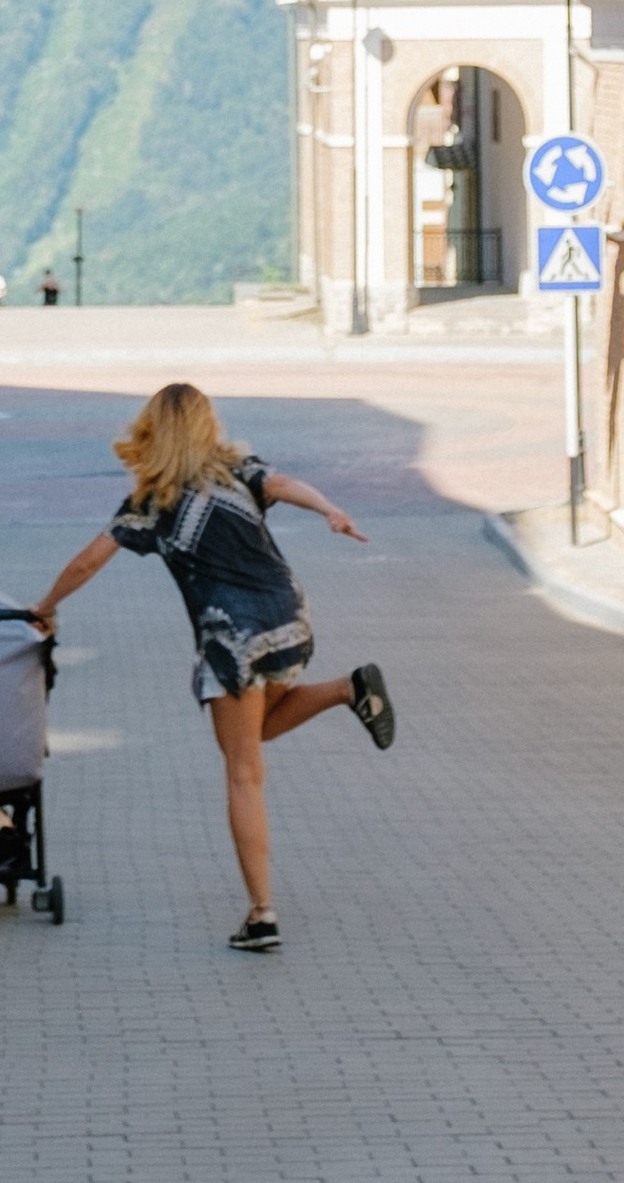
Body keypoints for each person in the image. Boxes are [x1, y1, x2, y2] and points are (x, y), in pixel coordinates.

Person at [33, 379, 390, 957]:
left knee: (244, 773)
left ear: (154, 430)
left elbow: (86, 563)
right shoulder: (238, 470)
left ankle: (262, 914)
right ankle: (349, 690)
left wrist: (44, 607)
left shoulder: (153, 503)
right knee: (257, 731)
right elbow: (284, 483)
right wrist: (329, 508)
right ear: (207, 425)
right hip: (291, 618)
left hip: (232, 638)